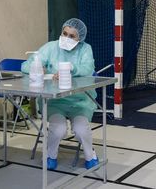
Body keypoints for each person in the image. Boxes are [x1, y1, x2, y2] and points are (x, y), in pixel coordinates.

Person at [21, 18, 98, 170]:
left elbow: (88, 68)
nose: (67, 38)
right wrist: (37, 68)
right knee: (58, 129)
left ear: (79, 38)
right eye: (65, 34)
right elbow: (25, 65)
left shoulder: (85, 49)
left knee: (81, 130)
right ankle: (51, 155)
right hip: (55, 101)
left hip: (80, 100)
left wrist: (71, 68)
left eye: (72, 36)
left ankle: (91, 155)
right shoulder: (50, 47)